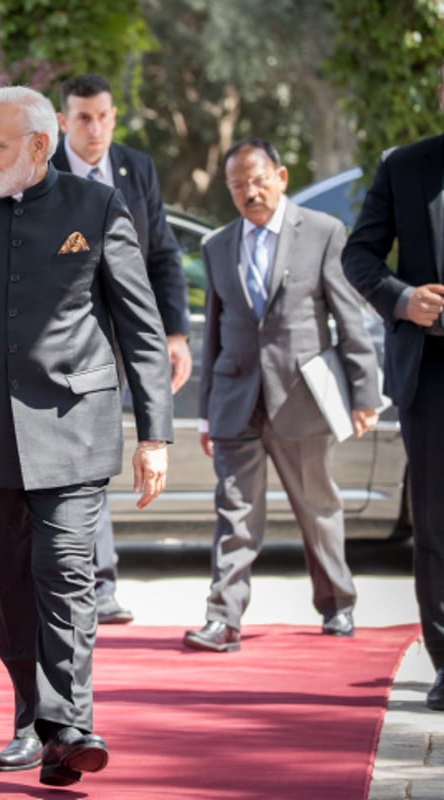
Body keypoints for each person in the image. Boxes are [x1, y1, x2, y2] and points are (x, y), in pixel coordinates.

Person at [0, 86, 173, 788]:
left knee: (67, 579)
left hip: (73, 432)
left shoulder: (98, 209)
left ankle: (71, 726)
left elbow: (139, 328)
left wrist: (155, 435)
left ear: (37, 147)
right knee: (12, 591)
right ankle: (33, 721)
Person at [183, 139, 381, 654]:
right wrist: (206, 415)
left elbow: (348, 320)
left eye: (258, 180)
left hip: (301, 397)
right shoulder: (218, 245)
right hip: (235, 400)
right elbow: (216, 337)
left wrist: (364, 393)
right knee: (234, 513)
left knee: (317, 507)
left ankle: (337, 604)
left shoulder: (321, 233)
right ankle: (223, 619)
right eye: (237, 185)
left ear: (282, 177)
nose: (250, 192)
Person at [50, 73, 191, 626]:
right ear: (62, 122)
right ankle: (85, 579)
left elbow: (163, 256)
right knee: (79, 460)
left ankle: (96, 582)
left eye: (104, 116)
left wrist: (174, 333)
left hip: (125, 339)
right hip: (64, 343)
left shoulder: (136, 167)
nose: (96, 128)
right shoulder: (43, 168)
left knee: (100, 454)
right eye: (83, 117)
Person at [342, 65, 444, 712]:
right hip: (431, 376)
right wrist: (402, 299)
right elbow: (360, 255)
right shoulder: (405, 166)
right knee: (437, 525)